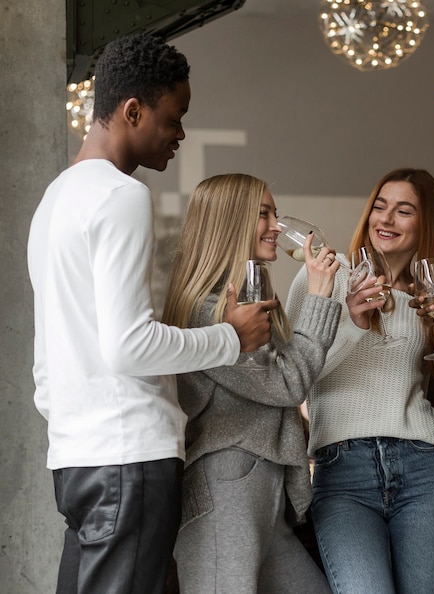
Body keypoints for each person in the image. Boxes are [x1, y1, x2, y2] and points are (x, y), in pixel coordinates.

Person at [27, 35, 277, 594]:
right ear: (132, 111)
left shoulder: (53, 200)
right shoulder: (120, 195)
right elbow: (128, 345)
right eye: (175, 117)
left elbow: (48, 362)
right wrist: (230, 337)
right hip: (127, 459)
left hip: (76, 458)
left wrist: (74, 430)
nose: (181, 134)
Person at [162, 173, 342, 594]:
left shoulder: (248, 302)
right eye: (263, 214)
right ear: (230, 220)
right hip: (225, 489)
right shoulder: (208, 311)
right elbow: (286, 383)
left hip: (260, 493)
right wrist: (318, 299)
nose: (277, 226)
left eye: (276, 213)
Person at [285, 168, 434, 594]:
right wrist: (355, 323)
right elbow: (292, 377)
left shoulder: (427, 298)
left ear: (426, 224)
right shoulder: (325, 273)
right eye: (379, 206)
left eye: (403, 211)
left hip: (424, 467)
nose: (385, 219)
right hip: (343, 471)